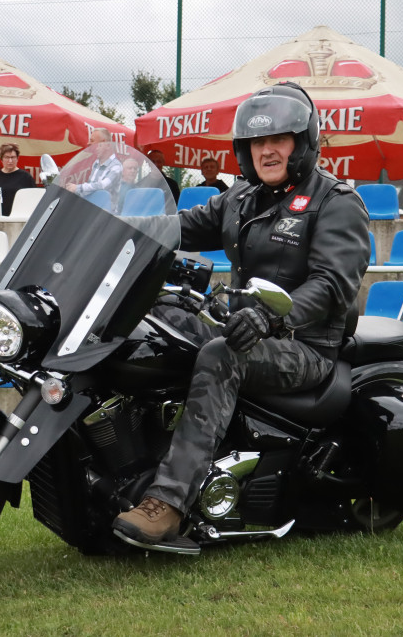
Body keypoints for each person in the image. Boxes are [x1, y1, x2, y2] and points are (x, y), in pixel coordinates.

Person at [113, 82, 371, 547]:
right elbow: (181, 227)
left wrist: (276, 318)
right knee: (155, 321)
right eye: (257, 142)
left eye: (278, 140)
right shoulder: (240, 198)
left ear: (302, 143)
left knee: (220, 355)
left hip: (304, 345)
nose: (267, 151)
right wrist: (119, 228)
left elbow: (333, 285)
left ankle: (169, 503)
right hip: (240, 326)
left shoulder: (335, 203)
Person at [65, 128, 122, 206]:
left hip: (106, 213)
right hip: (92, 209)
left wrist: (77, 188)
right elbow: (90, 189)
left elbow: (103, 185)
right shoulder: (96, 163)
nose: (88, 143)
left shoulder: (116, 166)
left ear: (105, 144)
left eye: (92, 140)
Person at [0, 143, 36, 216]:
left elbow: (33, 200)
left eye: (13, 157)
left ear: (17, 158)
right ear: (1, 159)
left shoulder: (26, 177)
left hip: (19, 218)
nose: (10, 161)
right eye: (7, 157)